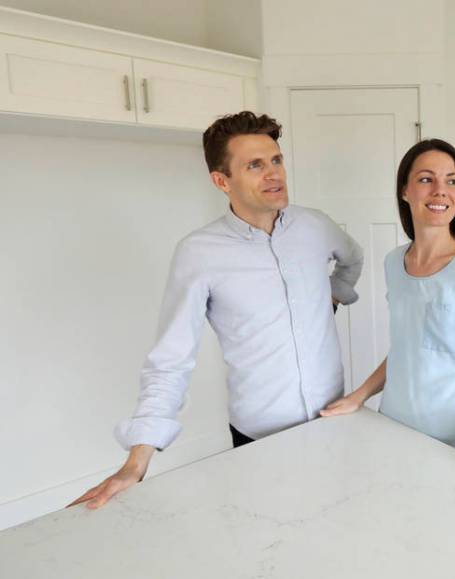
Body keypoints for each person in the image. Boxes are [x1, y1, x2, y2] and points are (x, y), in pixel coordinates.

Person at [70, 112, 363, 509]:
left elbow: (352, 258)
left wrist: (333, 297)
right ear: (221, 181)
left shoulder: (316, 226)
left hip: (336, 420)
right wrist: (136, 462)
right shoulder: (199, 253)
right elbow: (171, 359)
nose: (273, 174)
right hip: (259, 438)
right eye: (254, 165)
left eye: (276, 160)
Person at [321, 139, 455, 490]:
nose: (441, 191)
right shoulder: (395, 262)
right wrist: (359, 395)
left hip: (454, 443)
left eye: (452, 181)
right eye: (426, 179)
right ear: (404, 191)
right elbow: (408, 348)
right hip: (394, 427)